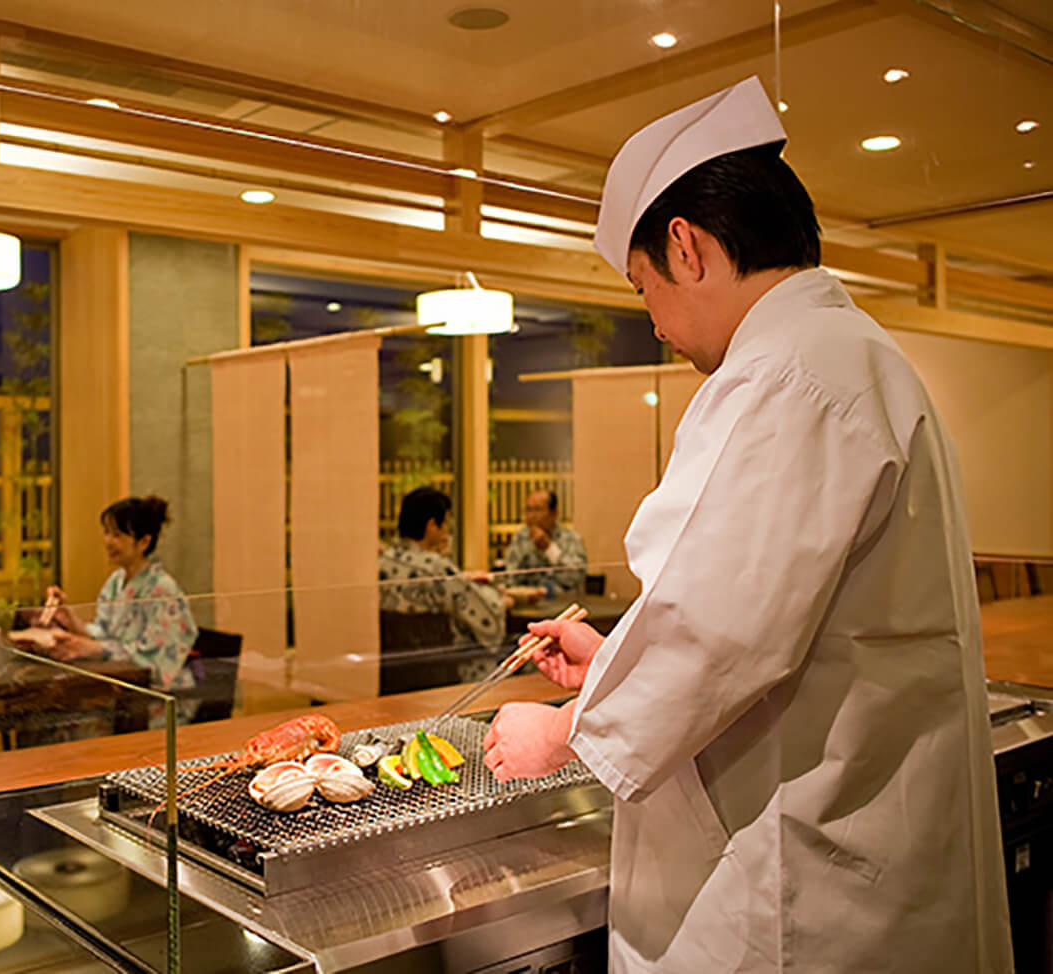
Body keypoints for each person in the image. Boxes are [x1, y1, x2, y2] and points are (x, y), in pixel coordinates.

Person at [483, 77, 1011, 973]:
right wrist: (613, 659)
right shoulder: (859, 358)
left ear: (685, 246)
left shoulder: (783, 378)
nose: (654, 326)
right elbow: (785, 619)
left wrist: (567, 731)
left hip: (801, 900)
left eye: (644, 288)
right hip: (868, 864)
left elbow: (716, 637)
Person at [40, 496, 198, 705]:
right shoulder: (116, 582)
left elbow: (155, 661)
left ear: (144, 542)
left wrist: (93, 648)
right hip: (121, 688)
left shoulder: (163, 590)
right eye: (106, 533)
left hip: (158, 700)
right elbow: (104, 633)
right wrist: (69, 619)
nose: (108, 541)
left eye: (117, 535)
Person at [378, 486, 509, 650]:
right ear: (432, 525)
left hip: (397, 666)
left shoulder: (382, 562)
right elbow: (487, 619)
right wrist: (501, 599)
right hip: (447, 666)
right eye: (446, 522)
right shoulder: (436, 568)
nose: (448, 529)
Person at [502, 489, 587, 595]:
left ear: (554, 513)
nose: (531, 516)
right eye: (528, 510)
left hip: (564, 603)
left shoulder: (571, 538)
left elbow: (574, 578)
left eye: (538, 510)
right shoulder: (521, 538)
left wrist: (549, 548)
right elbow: (510, 578)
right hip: (528, 605)